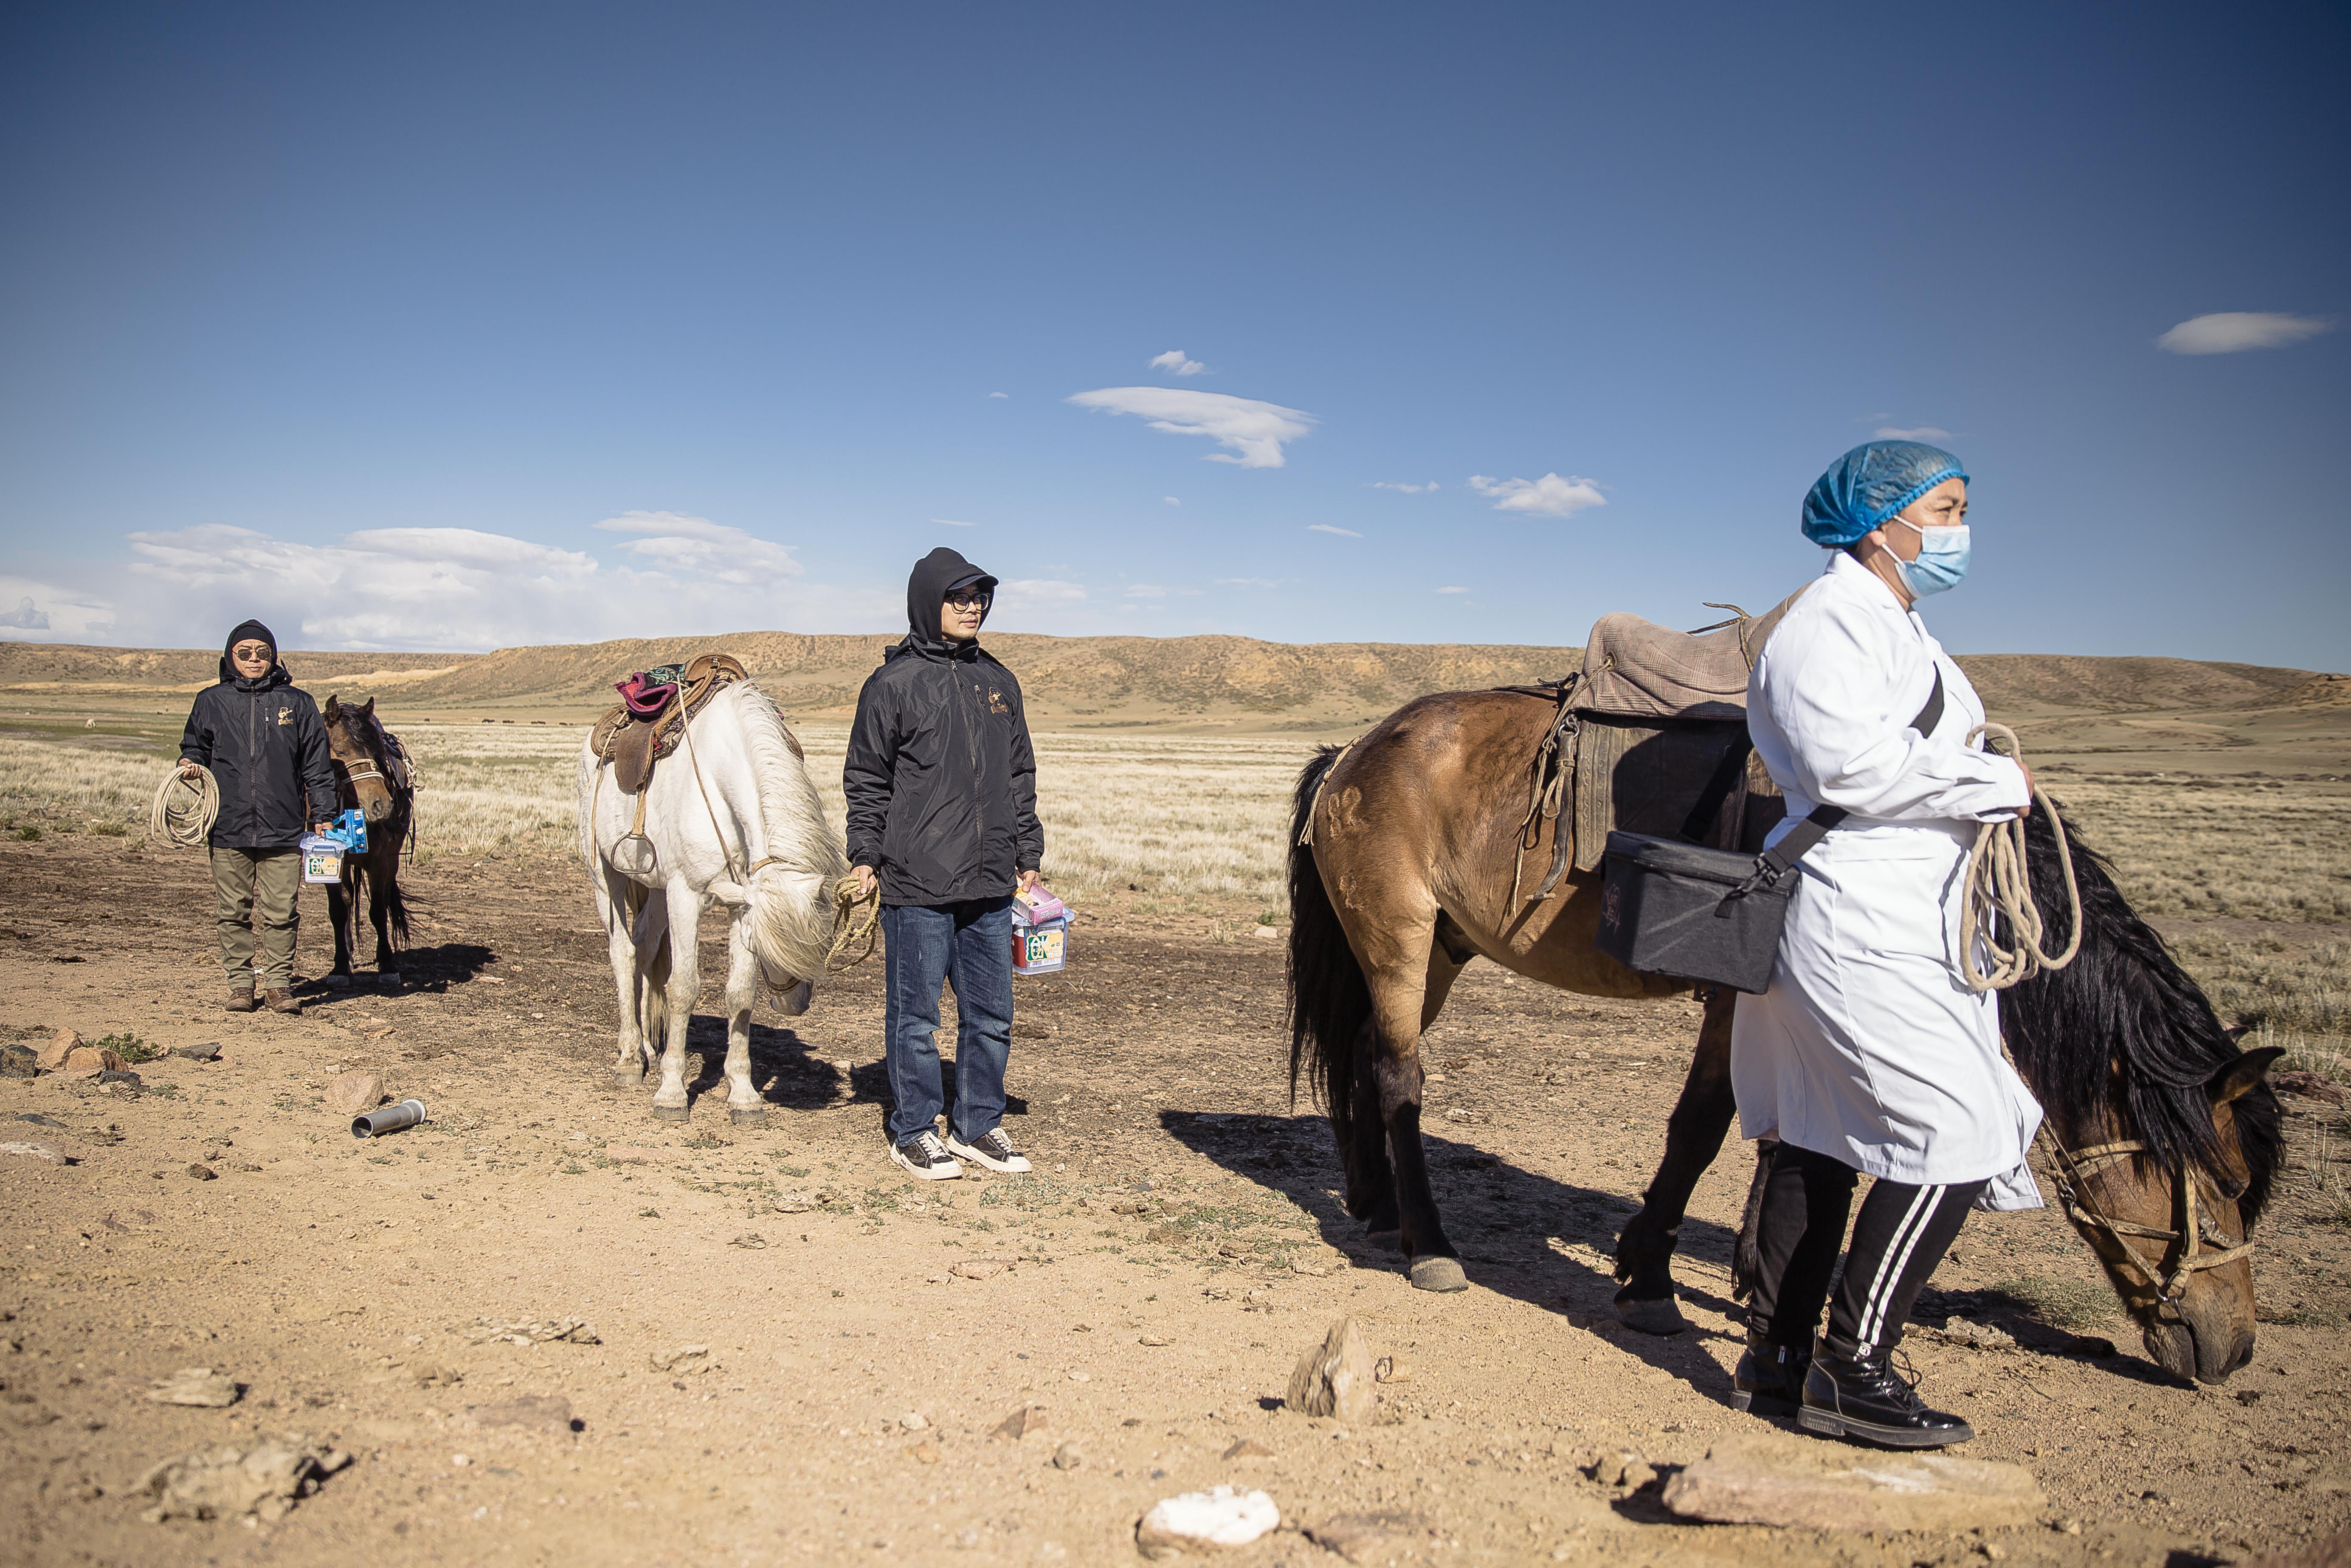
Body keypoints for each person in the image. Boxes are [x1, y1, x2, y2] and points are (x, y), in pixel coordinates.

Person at [1729, 441, 2042, 1448]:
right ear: (1881, 519)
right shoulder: (1827, 624)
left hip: (1895, 912)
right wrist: (1988, 785)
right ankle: (1851, 1366)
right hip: (1852, 912)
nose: (1958, 529)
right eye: (1944, 508)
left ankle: (1775, 1361)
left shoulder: (1897, 622)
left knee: (1820, 1130)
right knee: (1956, 1131)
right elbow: (1849, 766)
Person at [844, 548, 1046, 1180]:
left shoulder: (998, 682)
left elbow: (1020, 775)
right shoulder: (893, 684)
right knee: (916, 1018)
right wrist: (865, 856)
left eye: (980, 595)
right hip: (918, 879)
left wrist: (1028, 851)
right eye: (959, 596)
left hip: (989, 881)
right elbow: (867, 778)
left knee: (991, 1015)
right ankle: (913, 1130)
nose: (972, 606)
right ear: (928, 601)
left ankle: (978, 1125)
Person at [178, 620, 338, 1014]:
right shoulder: (210, 701)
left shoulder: (298, 703)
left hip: (283, 827)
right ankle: (239, 985)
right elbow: (195, 745)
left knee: (282, 911)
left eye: (262, 653)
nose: (254, 659)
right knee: (232, 912)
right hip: (227, 825)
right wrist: (190, 761)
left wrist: (324, 814)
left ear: (274, 656)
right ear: (230, 657)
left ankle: (280, 986)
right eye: (245, 653)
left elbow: (316, 767)